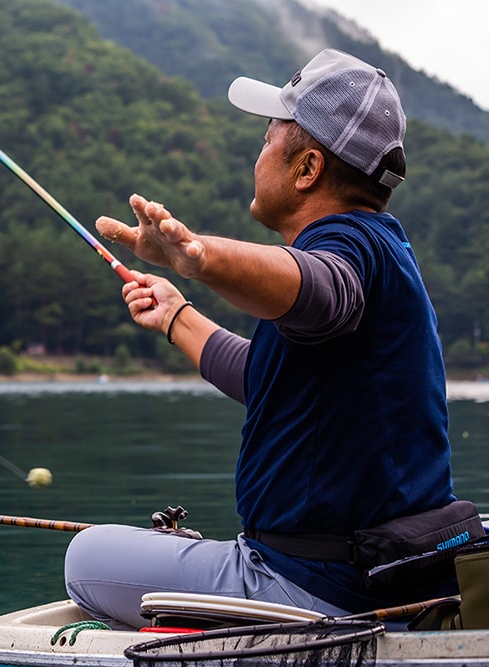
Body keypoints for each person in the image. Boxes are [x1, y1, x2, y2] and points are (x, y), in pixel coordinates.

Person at [64, 49, 469, 630]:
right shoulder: (388, 251)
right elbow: (267, 377)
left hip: (312, 588)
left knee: (87, 557)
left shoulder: (345, 251)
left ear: (306, 169)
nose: (258, 153)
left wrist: (200, 257)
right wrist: (179, 315)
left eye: (265, 139)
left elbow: (320, 289)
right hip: (392, 578)